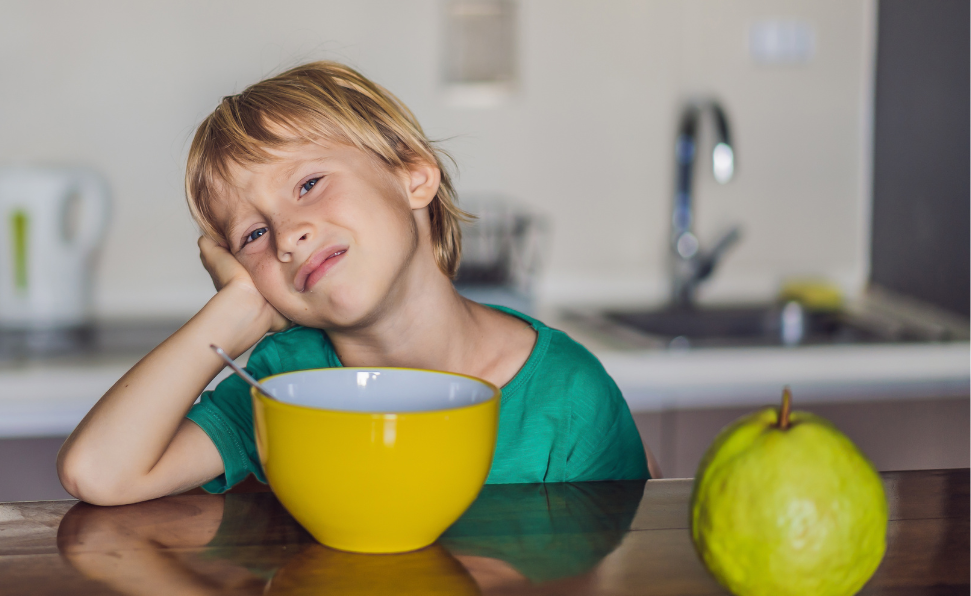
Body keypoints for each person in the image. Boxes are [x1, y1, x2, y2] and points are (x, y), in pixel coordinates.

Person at [57, 61, 652, 505]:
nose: (288, 235)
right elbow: (98, 473)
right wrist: (234, 311)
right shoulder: (280, 382)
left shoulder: (570, 398)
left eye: (309, 184)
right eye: (254, 236)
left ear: (413, 176)